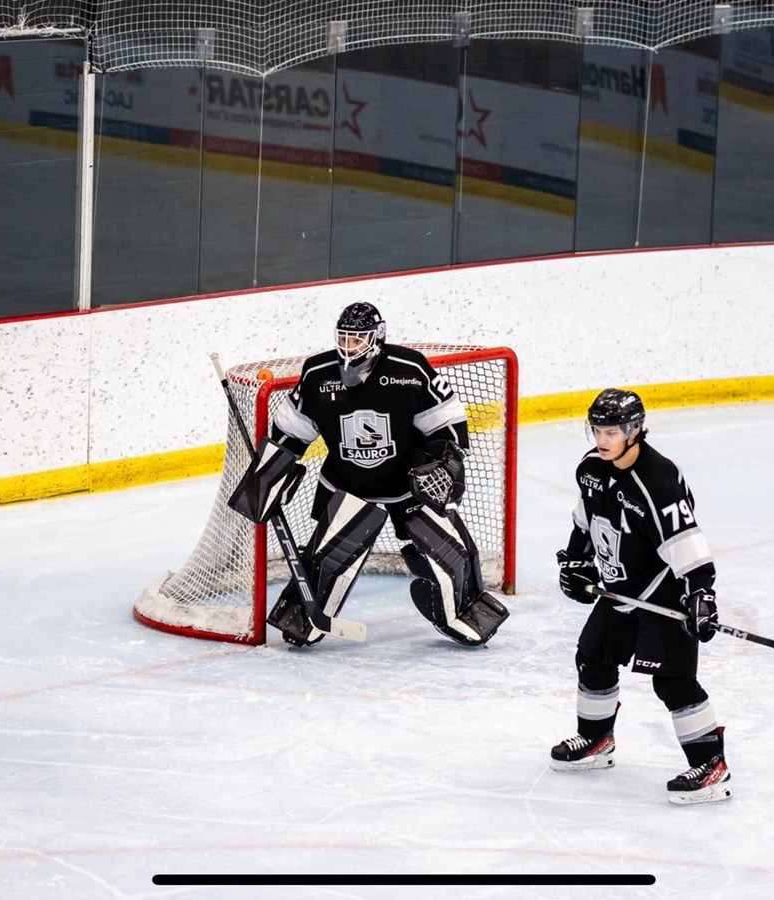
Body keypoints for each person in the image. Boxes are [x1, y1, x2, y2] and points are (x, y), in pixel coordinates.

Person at [227, 302, 509, 648]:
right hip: (348, 486)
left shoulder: (409, 369)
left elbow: (446, 422)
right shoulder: (318, 374)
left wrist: (443, 461)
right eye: (344, 339)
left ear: (377, 337)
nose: (349, 347)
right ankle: (301, 617)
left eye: (358, 340)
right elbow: (290, 432)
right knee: (327, 559)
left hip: (407, 484)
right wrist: (269, 476)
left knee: (449, 551)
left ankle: (464, 611)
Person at [550, 388, 731, 805]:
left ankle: (712, 765)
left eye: (611, 430)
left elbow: (685, 541)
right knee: (592, 656)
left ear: (634, 431)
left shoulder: (657, 480)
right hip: (620, 589)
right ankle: (596, 741)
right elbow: (585, 519)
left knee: (673, 682)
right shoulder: (592, 467)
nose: (601, 438)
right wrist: (575, 561)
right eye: (596, 428)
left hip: (662, 591)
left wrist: (701, 593)